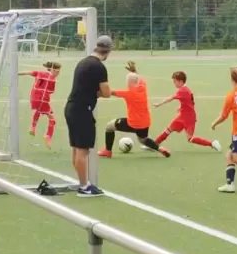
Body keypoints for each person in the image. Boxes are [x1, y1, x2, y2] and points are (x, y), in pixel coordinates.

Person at [64, 35, 112, 197]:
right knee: (82, 151)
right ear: (108, 51)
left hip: (71, 107)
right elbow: (107, 92)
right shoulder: (98, 67)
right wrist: (97, 93)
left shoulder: (83, 62)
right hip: (82, 110)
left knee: (76, 149)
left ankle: (82, 182)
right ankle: (84, 187)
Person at [98, 62, 170, 159]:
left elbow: (109, 92)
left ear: (130, 83)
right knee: (143, 139)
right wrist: (134, 71)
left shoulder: (128, 93)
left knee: (109, 126)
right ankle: (160, 148)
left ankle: (108, 151)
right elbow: (139, 78)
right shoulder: (143, 87)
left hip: (133, 123)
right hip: (145, 122)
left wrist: (96, 93)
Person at [144, 71, 221, 152]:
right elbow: (189, 102)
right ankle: (153, 145)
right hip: (183, 115)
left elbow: (171, 98)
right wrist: (181, 107)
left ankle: (212, 143)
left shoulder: (182, 90)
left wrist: (159, 104)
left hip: (189, 117)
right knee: (168, 130)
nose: (174, 83)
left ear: (180, 81)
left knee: (190, 138)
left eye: (175, 81)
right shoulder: (186, 89)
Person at [18, 61, 61, 149]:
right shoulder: (52, 79)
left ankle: (32, 128)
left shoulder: (40, 73)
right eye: (58, 71)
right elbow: (51, 91)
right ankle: (48, 136)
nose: (58, 73)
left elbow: (28, 72)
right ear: (53, 70)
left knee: (38, 110)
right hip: (43, 99)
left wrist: (17, 73)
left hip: (33, 97)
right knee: (52, 119)